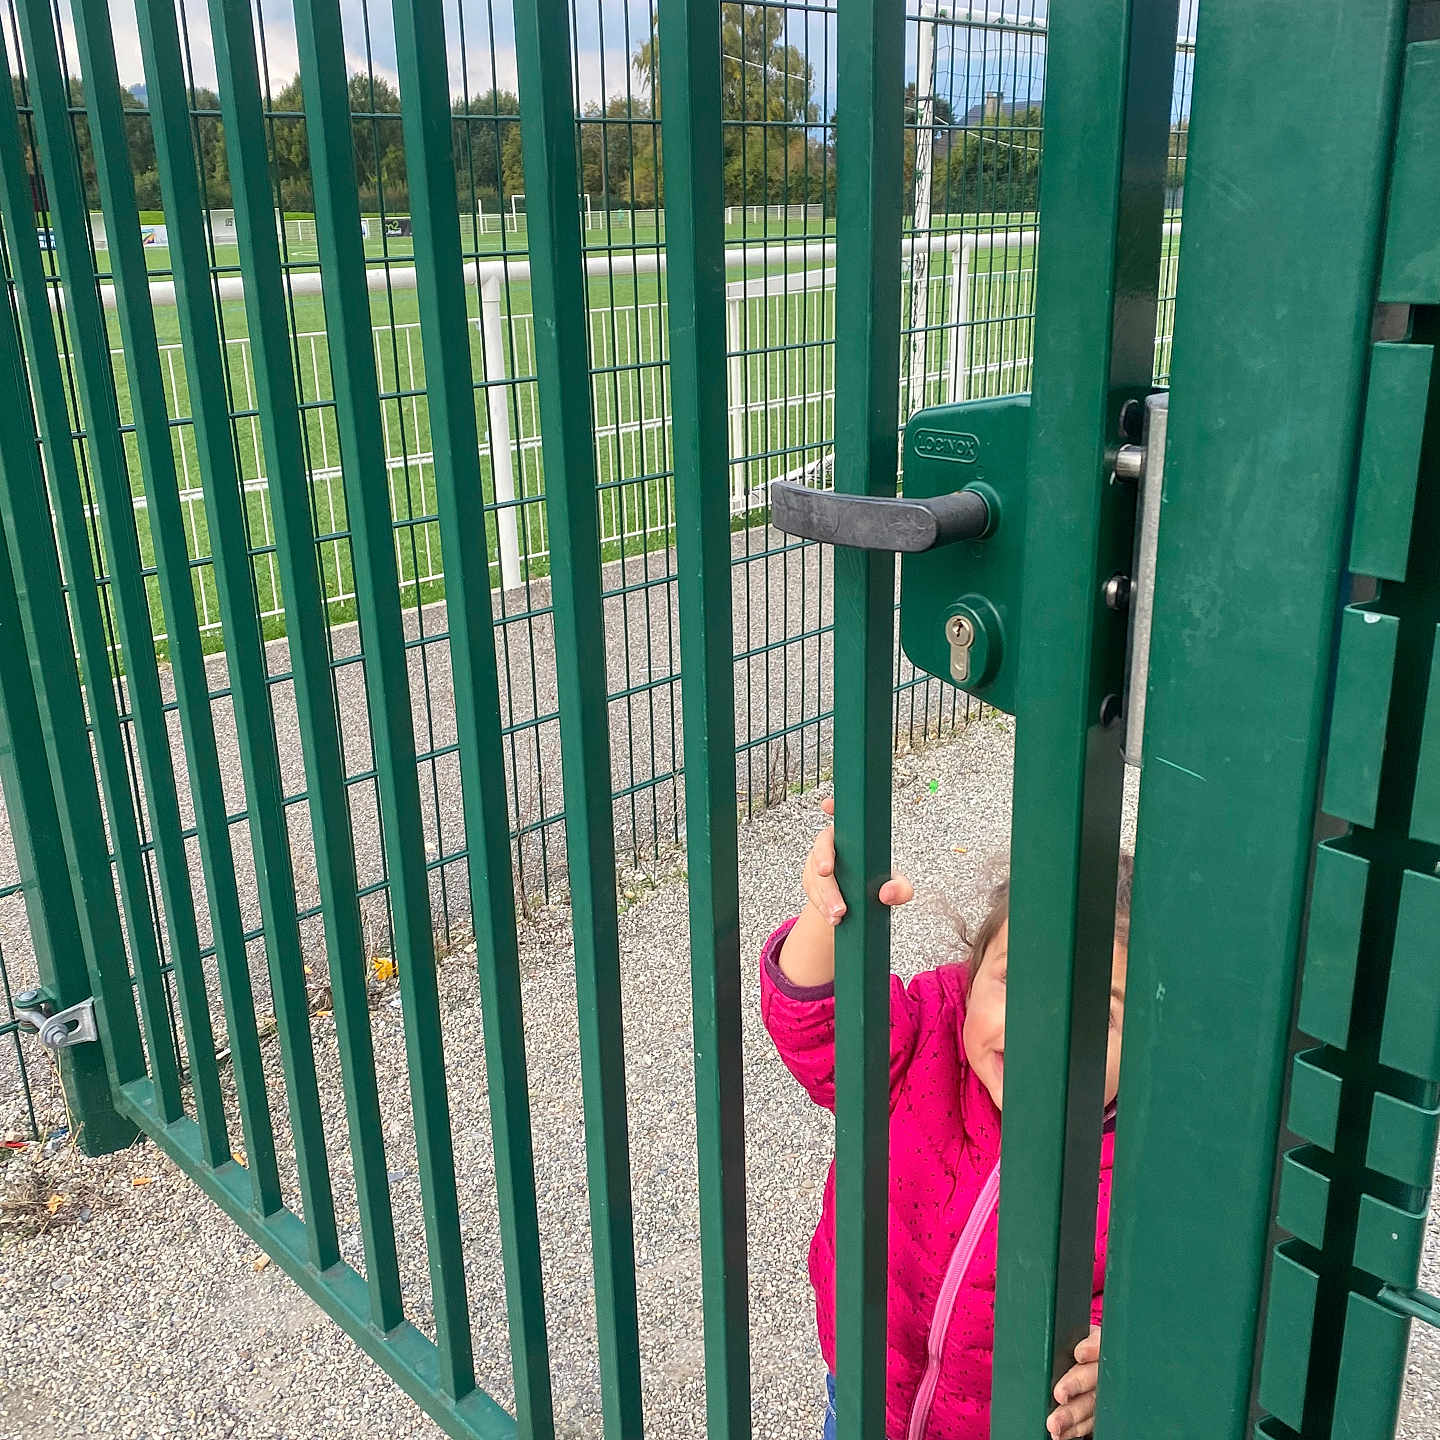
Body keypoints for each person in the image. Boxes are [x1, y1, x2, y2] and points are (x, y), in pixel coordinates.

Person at [761, 797, 1131, 1440]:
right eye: (1020, 981)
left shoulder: (1147, 1161)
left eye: (1097, 1016)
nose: (1044, 1035)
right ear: (974, 974)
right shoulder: (926, 1034)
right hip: (864, 1388)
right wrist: (830, 915)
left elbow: (1176, 1301)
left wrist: (1120, 1361)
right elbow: (815, 1026)